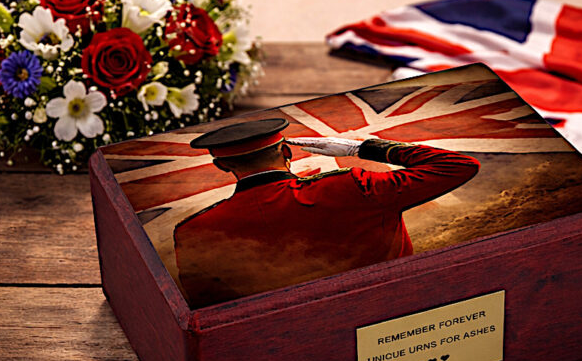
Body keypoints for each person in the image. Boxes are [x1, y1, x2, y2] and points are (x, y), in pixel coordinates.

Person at [173, 117, 480, 308]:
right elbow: (458, 166)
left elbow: (207, 305)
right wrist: (361, 148)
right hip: (397, 312)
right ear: (287, 152)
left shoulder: (194, 231)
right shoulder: (351, 187)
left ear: (222, 166)